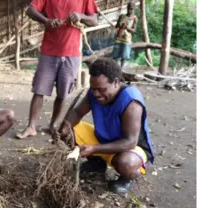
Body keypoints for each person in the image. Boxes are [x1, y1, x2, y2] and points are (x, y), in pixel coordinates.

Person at [57, 58, 155, 194]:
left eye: (101, 90)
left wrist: (94, 148)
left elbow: (130, 142)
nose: (96, 94)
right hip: (103, 139)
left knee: (126, 164)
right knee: (67, 131)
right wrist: (64, 129)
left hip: (129, 148)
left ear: (116, 82)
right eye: (93, 89)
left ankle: (127, 177)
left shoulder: (131, 101)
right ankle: (97, 163)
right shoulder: (94, 92)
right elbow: (78, 112)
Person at [16, 0, 99, 139]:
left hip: (71, 53)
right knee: (39, 90)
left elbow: (94, 20)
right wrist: (46, 21)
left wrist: (81, 16)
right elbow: (30, 10)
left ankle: (53, 125)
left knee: (63, 93)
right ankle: (31, 127)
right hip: (49, 51)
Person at [112, 2, 138, 67]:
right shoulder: (122, 16)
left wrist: (127, 27)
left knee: (124, 56)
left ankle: (121, 70)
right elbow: (116, 26)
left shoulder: (134, 18)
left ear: (134, 9)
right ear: (127, 8)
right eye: (128, 9)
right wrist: (119, 24)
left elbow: (134, 30)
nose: (130, 10)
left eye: (131, 9)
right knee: (115, 55)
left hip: (127, 39)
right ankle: (115, 68)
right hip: (118, 38)